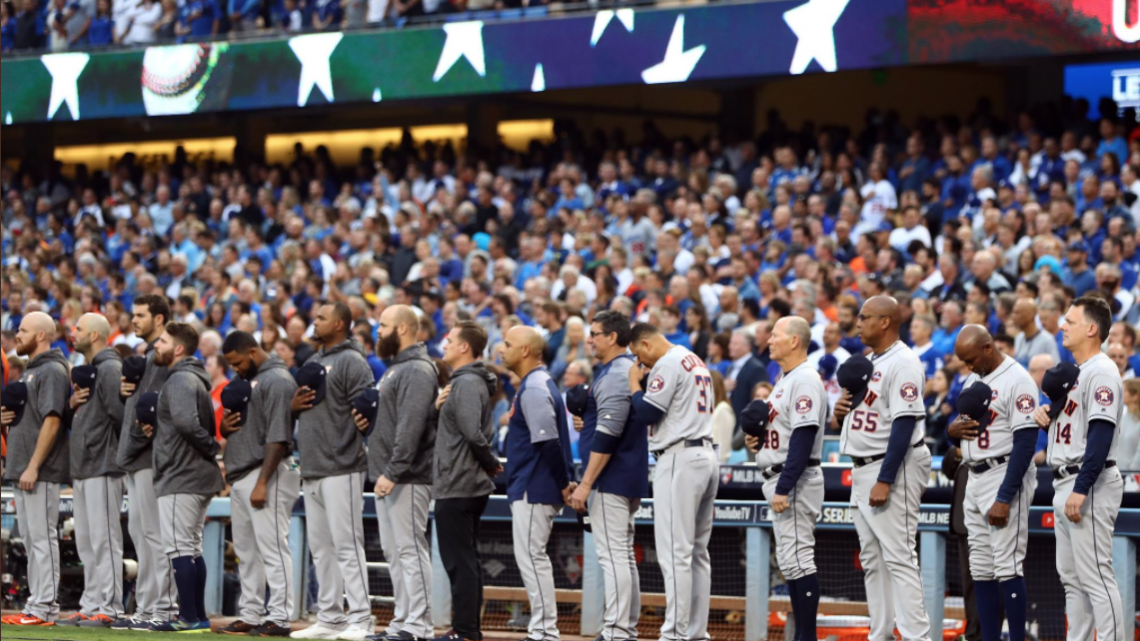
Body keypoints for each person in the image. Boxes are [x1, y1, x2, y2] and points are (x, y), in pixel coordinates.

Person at [834, 296, 933, 641]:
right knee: (873, 559)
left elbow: (904, 424)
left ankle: (917, 637)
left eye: (865, 317)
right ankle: (881, 635)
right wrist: (841, 414)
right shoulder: (872, 360)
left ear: (886, 321)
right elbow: (873, 416)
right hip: (864, 467)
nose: (858, 323)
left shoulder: (903, 362)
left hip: (891, 467)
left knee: (899, 557)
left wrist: (885, 479)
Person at [1033, 296, 1126, 641]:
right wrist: (1047, 415)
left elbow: (1101, 436)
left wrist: (1082, 487)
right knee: (1073, 580)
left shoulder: (1102, 370)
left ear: (1091, 328)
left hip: (1089, 482)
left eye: (1070, 322)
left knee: (1096, 577)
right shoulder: (1077, 372)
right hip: (1066, 481)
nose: (1062, 326)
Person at [947, 326, 1040, 641]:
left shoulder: (1018, 380)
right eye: (964, 361)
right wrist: (951, 433)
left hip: (1003, 473)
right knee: (981, 568)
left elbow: (1026, 443)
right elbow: (965, 429)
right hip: (973, 475)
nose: (968, 367)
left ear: (988, 347)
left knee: (1007, 566)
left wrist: (1005, 497)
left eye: (971, 359)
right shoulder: (975, 378)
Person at [627, 322, 718, 641]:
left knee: (675, 553)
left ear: (646, 344)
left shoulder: (667, 362)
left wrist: (634, 384)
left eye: (639, 355)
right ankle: (695, 633)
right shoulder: (694, 359)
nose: (641, 363)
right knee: (697, 554)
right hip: (705, 454)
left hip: (680, 458)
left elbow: (647, 413)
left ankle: (674, 635)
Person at [290, 303, 375, 641]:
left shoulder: (352, 361)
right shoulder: (313, 360)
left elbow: (367, 406)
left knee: (347, 545)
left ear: (339, 324)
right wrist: (293, 407)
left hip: (343, 465)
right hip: (312, 466)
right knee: (321, 548)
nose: (315, 321)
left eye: (321, 318)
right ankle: (330, 617)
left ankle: (362, 619)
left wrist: (356, 434)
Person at [567, 311, 649, 641]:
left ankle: (617, 632)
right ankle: (624, 629)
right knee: (622, 555)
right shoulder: (622, 369)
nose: (589, 340)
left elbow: (609, 433)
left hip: (611, 477)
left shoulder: (617, 372)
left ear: (613, 337)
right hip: (623, 474)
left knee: (614, 556)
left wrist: (586, 483)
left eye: (595, 334)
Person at [746, 317, 827, 641]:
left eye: (776, 335)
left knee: (799, 560)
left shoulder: (804, 379)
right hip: (783, 477)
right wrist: (760, 441)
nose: (769, 340)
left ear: (794, 340)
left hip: (795, 479)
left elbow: (803, 438)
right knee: (791, 563)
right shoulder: (785, 379)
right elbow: (785, 432)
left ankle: (806, 637)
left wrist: (784, 486)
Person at [218, 331, 301, 637]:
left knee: (272, 548)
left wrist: (263, 482)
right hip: (243, 473)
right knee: (246, 551)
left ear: (252, 352)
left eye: (237, 362)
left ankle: (279, 617)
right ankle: (251, 613)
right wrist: (225, 429)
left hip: (267, 472)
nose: (234, 368)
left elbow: (279, 436)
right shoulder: (248, 380)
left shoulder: (277, 379)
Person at [146, 322, 224, 632]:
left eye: (163, 341)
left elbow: (187, 424)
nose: (157, 345)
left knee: (179, 548)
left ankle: (188, 617)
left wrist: (211, 447)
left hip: (182, 474)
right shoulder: (194, 377)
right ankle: (198, 617)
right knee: (191, 548)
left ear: (178, 348)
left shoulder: (179, 378)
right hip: (194, 474)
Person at [500, 325, 575, 641]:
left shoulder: (533, 387)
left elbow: (548, 441)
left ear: (526, 350)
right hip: (534, 483)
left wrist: (563, 482)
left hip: (535, 485)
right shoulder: (537, 382)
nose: (501, 349)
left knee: (533, 558)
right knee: (533, 557)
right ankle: (544, 629)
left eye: (507, 344)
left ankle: (544, 631)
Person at [367, 305, 438, 641]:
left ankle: (419, 625)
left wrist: (393, 470)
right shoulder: (396, 367)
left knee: (410, 550)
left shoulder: (417, 369)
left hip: (407, 476)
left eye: (383, 325)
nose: (378, 331)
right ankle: (402, 621)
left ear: (404, 328)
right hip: (390, 474)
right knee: (394, 552)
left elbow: (411, 426)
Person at [428, 321, 501, 641]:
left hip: (460, 482)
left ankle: (466, 630)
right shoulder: (462, 381)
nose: (444, 344)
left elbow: (472, 432)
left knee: (460, 562)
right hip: (459, 480)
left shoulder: (468, 382)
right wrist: (436, 409)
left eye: (450, 340)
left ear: (464, 347)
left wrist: (489, 462)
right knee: (464, 560)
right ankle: (467, 629)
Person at [0, 312, 71, 627]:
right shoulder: (32, 370)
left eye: (23, 330)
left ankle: (45, 606)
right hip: (23, 469)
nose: (17, 335)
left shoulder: (52, 369)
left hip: (40, 471)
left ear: (41, 335)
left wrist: (33, 465)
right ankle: (36, 604)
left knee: (42, 538)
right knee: (31, 540)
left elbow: (53, 419)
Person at [112, 295, 177, 629]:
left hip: (151, 457)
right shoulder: (147, 357)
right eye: (133, 314)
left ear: (159, 319)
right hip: (135, 459)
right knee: (140, 533)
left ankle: (164, 608)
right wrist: (126, 393)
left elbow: (158, 411)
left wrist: (136, 441)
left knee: (155, 535)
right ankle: (147, 607)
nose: (134, 320)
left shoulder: (163, 357)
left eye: (140, 315)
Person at [59, 314, 126, 628]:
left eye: (79, 329)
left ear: (96, 335)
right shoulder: (90, 368)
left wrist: (113, 454)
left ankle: (110, 607)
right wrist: (72, 403)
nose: (73, 333)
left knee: (104, 540)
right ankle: (91, 603)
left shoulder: (110, 367)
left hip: (104, 465)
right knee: (86, 542)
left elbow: (121, 415)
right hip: (84, 466)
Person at [1119, 379, 1140, 472]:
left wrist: (1131, 472)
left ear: (1135, 396)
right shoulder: (1121, 419)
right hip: (1116, 473)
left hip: (1132, 474)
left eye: (1124, 391)